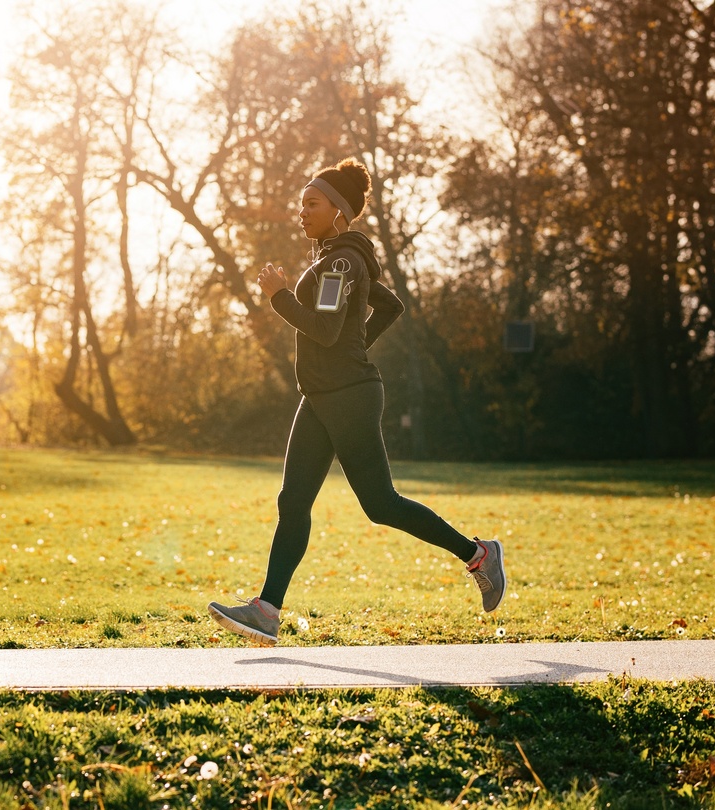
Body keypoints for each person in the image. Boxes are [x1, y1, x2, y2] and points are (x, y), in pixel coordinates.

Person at [207, 157, 506, 646]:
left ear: (338, 212)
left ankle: (479, 555)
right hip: (323, 394)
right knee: (294, 500)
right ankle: (266, 610)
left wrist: (280, 295)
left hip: (348, 396)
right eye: (301, 203)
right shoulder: (337, 259)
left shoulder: (341, 262)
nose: (302, 211)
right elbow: (388, 306)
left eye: (313, 203)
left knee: (380, 504)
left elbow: (325, 328)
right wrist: (354, 342)